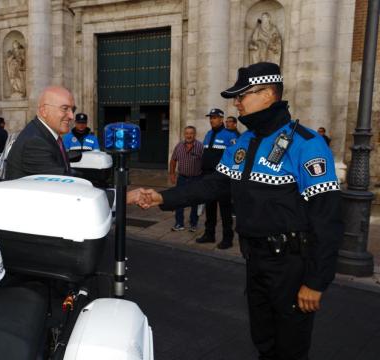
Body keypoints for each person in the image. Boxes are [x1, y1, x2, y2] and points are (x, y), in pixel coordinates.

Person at [135, 62, 342, 360]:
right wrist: (161, 197)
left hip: (291, 266)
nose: (236, 102)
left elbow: (327, 217)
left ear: (268, 94)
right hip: (255, 260)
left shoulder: (307, 144)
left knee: (291, 347)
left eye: (243, 94)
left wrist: (316, 281)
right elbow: (213, 186)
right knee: (264, 340)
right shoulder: (244, 141)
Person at [4, 85, 74, 180]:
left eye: (72, 110)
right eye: (65, 108)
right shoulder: (35, 142)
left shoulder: (43, 134)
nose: (71, 116)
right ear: (44, 111)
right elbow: (62, 181)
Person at [198, 108, 237, 249]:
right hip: (208, 178)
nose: (211, 120)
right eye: (210, 117)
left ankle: (228, 239)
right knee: (210, 209)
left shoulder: (229, 135)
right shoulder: (208, 134)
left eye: (214, 117)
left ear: (221, 119)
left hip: (223, 179)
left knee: (225, 210)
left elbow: (236, 157)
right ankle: (209, 234)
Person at [169, 125, 203, 232]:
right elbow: (173, 160)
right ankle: (179, 223)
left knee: (195, 202)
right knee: (179, 201)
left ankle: (194, 223)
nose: (189, 135)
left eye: (191, 133)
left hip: (196, 178)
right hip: (182, 178)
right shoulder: (179, 146)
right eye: (187, 133)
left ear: (194, 134)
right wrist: (172, 174)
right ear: (184, 134)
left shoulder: (200, 146)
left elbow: (205, 162)